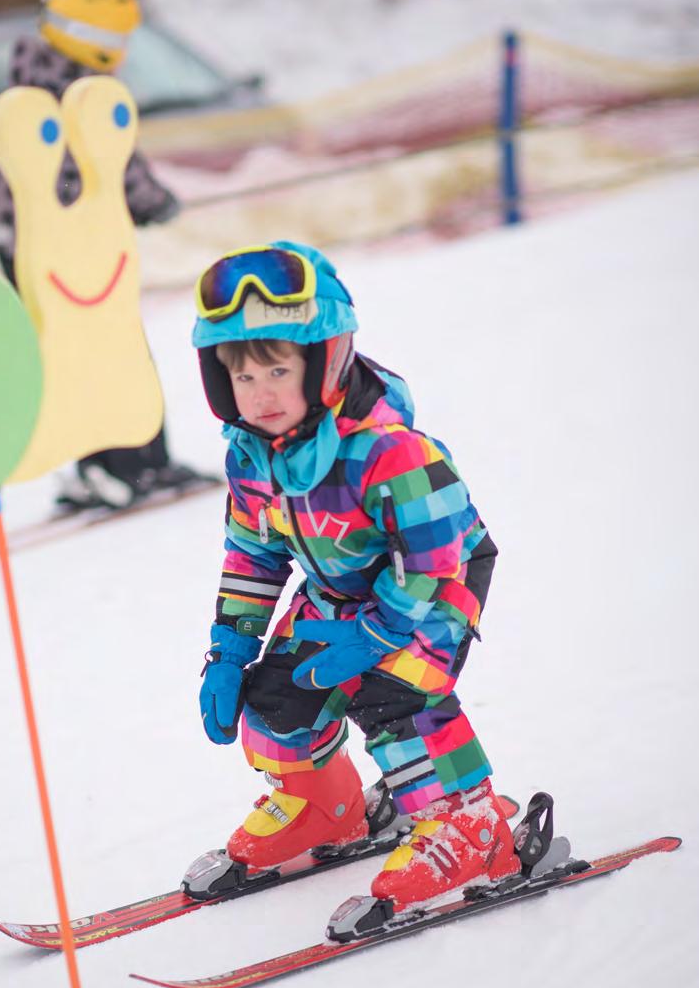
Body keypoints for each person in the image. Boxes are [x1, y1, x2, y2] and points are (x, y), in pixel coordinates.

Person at [192, 240, 519, 920]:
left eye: (278, 370)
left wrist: (381, 633)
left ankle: (469, 823)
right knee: (275, 700)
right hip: (340, 593)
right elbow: (253, 555)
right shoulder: (250, 456)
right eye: (243, 378)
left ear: (326, 358)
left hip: (430, 588)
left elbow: (434, 558)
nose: (262, 394)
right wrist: (229, 650)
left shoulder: (388, 450)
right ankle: (326, 807)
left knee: (393, 694)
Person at [0, 0, 210, 510]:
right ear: (95, 41)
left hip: (18, 236)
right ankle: (137, 464)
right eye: (117, 41)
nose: (123, 53)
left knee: (67, 353)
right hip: (71, 241)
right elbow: (112, 166)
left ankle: (96, 466)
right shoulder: (82, 90)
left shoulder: (31, 74)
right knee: (114, 347)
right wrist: (154, 202)